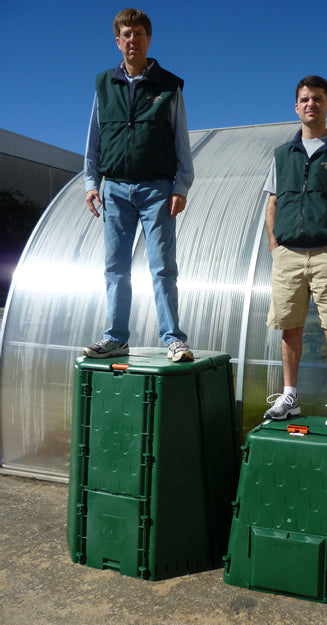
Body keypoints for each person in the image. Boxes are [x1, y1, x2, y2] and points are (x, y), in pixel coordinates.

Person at [82, 8, 194, 362]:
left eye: (139, 34)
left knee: (162, 266)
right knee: (115, 267)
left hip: (157, 189)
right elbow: (94, 139)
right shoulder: (104, 85)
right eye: (126, 35)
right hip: (114, 189)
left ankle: (173, 339)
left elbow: (180, 140)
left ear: (149, 39)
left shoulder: (169, 86)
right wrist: (91, 181)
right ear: (118, 42)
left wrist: (181, 186)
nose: (132, 40)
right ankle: (115, 338)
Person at [263, 75, 327, 430]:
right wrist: (275, 247)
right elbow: (272, 203)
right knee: (289, 327)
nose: (311, 104)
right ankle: (289, 396)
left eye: (318, 98)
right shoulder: (281, 155)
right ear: (296, 107)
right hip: (288, 254)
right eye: (305, 99)